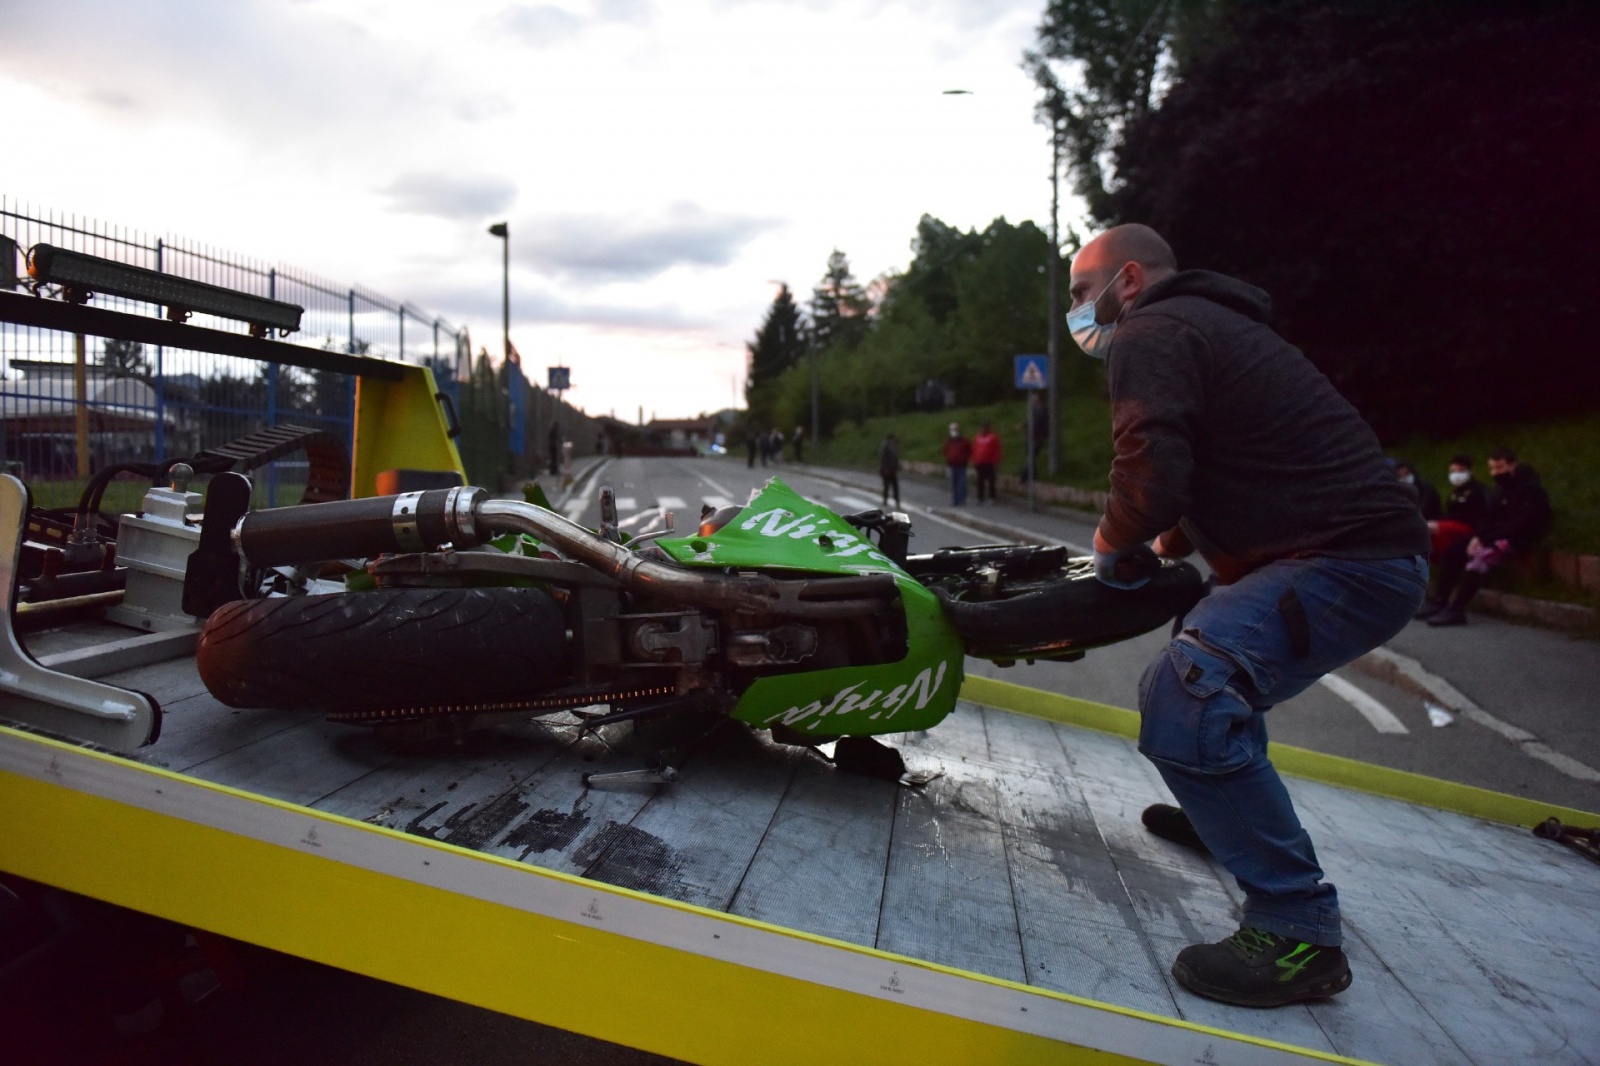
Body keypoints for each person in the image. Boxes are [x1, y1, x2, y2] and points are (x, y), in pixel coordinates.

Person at [1070, 224, 1428, 1008]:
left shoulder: (1152, 328)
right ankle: (1225, 818)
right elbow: (1221, 457)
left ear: (1128, 279)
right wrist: (1167, 539)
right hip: (1350, 553)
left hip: (1346, 560)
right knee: (1205, 641)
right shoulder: (1211, 324)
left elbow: (1151, 466)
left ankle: (1299, 931)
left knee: (1189, 691)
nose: (1076, 313)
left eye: (1079, 292)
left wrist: (1110, 540)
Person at [1417, 446, 1551, 626]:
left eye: (1500, 467)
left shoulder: (1530, 491)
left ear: (1512, 466)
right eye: (1492, 468)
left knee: (1479, 559)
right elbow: (1490, 516)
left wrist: (1488, 539)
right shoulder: (1501, 489)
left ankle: (1456, 609)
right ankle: (1440, 599)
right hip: (1494, 535)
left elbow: (1521, 523)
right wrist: (1479, 536)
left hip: (1516, 539)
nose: (1496, 472)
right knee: (1453, 551)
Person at [1426, 454, 1488, 561]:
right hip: (1451, 525)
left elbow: (1480, 515)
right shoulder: (1455, 494)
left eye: (1460, 471)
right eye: (1453, 472)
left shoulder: (1478, 491)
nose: (1456, 475)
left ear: (1470, 471)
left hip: (1469, 527)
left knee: (1430, 527)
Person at [972, 421, 1002, 504]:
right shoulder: (978, 437)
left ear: (989, 428)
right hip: (980, 462)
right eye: (982, 427)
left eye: (985, 427)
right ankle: (980, 497)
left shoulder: (993, 437)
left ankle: (992, 497)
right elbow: (975, 449)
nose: (983, 429)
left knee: (991, 480)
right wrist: (974, 460)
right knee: (980, 481)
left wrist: (996, 461)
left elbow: (997, 450)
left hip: (990, 463)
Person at [942, 422, 971, 506]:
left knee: (961, 483)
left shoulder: (964, 440)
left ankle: (962, 500)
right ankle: (955, 500)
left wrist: (965, 459)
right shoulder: (948, 441)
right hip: (952, 464)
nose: (953, 431)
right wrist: (948, 459)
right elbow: (946, 451)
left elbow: (968, 450)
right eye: (952, 429)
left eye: (955, 429)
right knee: (954, 483)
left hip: (961, 464)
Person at [878, 433, 901, 508]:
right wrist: (885, 469)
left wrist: (898, 467)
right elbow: (884, 459)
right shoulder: (886, 447)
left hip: (892, 470)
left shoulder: (893, 447)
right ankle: (885, 500)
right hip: (887, 470)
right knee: (887, 486)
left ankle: (896, 501)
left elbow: (895, 459)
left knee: (894, 486)